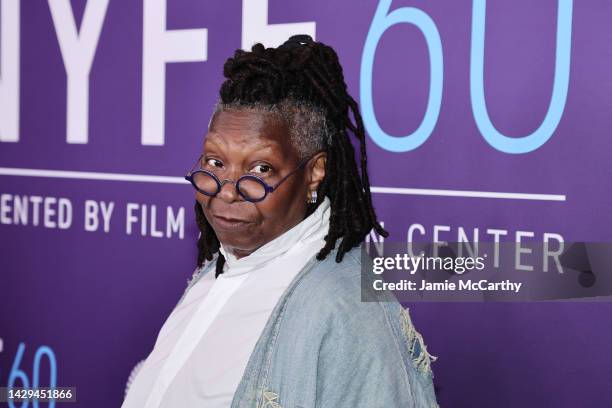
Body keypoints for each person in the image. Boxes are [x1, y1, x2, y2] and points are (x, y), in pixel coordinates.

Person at [122, 34, 438, 408]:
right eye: (215, 163)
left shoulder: (348, 315)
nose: (226, 191)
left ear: (314, 172)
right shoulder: (220, 268)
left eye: (261, 168)